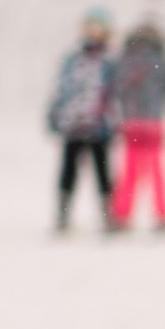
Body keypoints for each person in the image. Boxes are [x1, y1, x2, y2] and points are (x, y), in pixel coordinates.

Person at [46, 13, 120, 231]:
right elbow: (61, 90)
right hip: (73, 125)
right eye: (91, 28)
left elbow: (115, 94)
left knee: (103, 172)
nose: (94, 34)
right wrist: (54, 114)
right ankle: (63, 213)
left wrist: (115, 120)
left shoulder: (109, 62)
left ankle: (108, 214)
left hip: (99, 127)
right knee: (69, 171)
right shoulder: (72, 60)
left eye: (99, 29)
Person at [109, 17, 165, 231]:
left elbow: (117, 87)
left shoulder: (126, 58)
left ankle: (122, 215)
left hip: (132, 121)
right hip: (152, 121)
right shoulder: (160, 58)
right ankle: (162, 215)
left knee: (130, 172)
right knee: (156, 170)